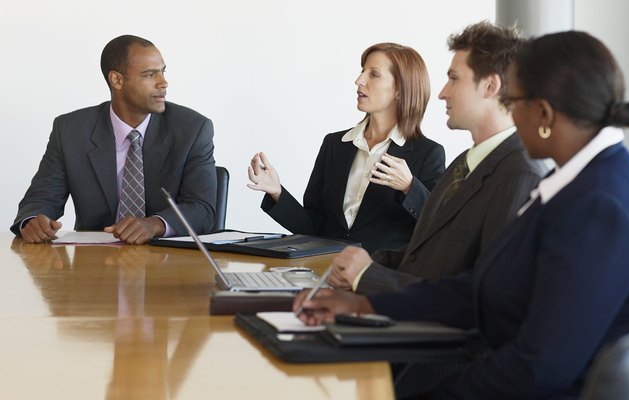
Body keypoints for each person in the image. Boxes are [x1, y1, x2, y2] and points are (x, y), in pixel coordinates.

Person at [294, 31, 629, 399]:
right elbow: (484, 289)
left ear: (543, 112)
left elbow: (539, 365)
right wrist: (369, 302)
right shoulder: (585, 184)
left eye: (517, 101)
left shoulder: (599, 207)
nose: (510, 113)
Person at [326, 22, 546, 294]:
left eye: (454, 78)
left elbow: (483, 295)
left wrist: (367, 278)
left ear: (490, 86)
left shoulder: (521, 175)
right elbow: (427, 254)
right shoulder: (463, 164)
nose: (442, 92)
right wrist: (362, 266)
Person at [11, 35, 217, 245]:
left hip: (168, 262)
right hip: (94, 264)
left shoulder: (192, 129)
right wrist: (33, 221)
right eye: (149, 75)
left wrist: (154, 225)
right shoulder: (70, 131)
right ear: (117, 80)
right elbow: (41, 198)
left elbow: (203, 209)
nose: (163, 83)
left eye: (163, 71)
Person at [247, 43, 445, 253]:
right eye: (362, 71)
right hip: (325, 270)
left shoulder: (428, 154)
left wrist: (409, 187)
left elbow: (440, 226)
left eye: (374, 74)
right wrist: (277, 192)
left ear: (399, 90)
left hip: (380, 279)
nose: (359, 81)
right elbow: (313, 228)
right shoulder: (334, 145)